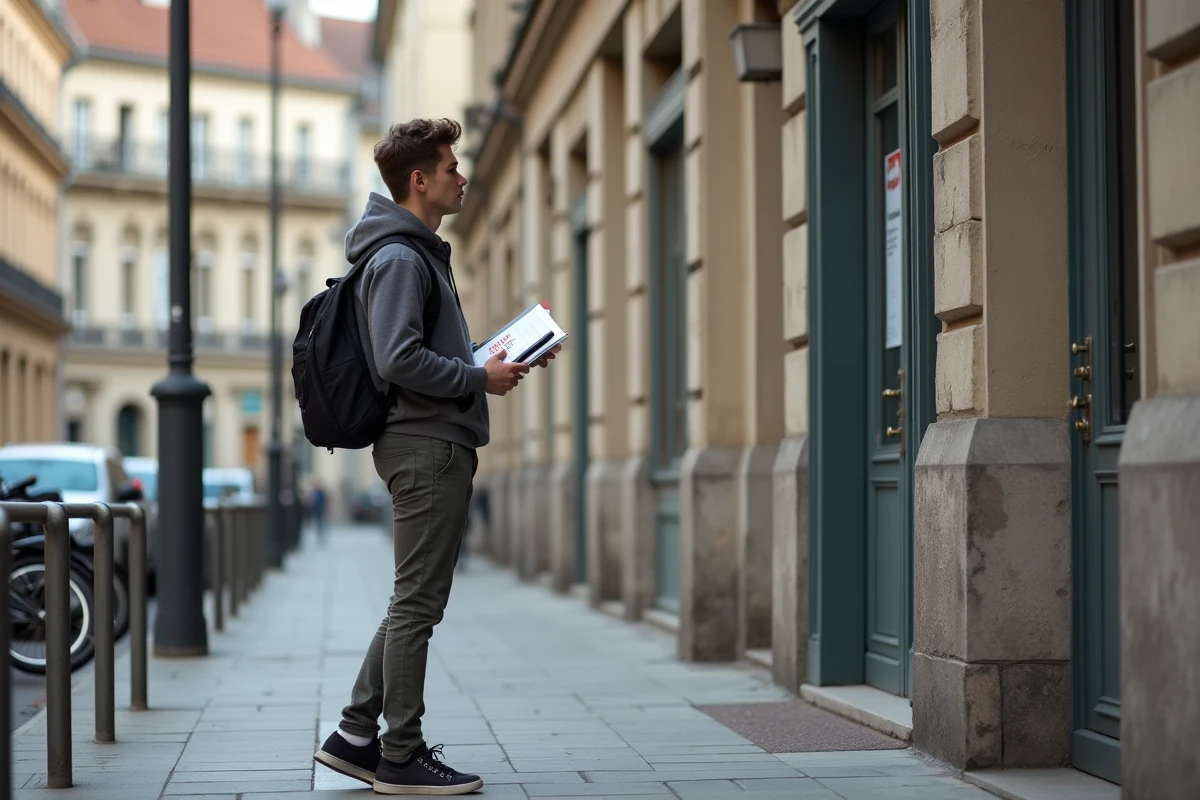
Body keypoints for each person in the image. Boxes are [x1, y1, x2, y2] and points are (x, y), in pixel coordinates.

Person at [312, 118, 557, 796]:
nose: (462, 177)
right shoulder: (400, 259)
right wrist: (478, 378)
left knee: (411, 599)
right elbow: (398, 360)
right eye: (451, 167)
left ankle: (354, 736)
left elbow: (421, 356)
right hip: (426, 445)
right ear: (419, 181)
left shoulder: (413, 254)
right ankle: (400, 755)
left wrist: (495, 361)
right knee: (417, 604)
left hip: (432, 440)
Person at [309, 480, 327, 545]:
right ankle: (319, 536)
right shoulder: (314, 493)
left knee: (321, 524)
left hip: (320, 510)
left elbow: (324, 501)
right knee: (317, 524)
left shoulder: (321, 493)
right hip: (316, 510)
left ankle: (321, 536)